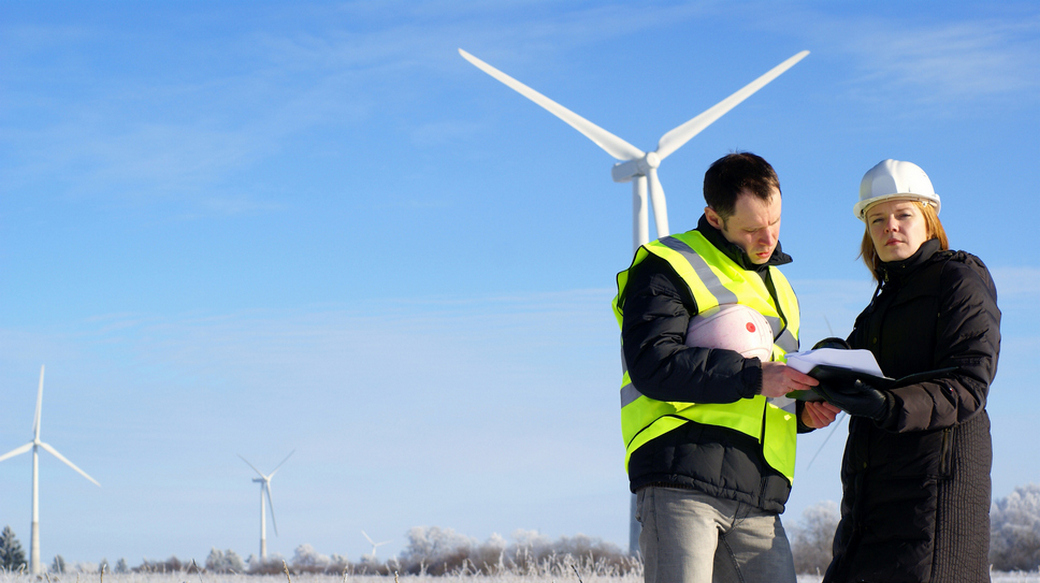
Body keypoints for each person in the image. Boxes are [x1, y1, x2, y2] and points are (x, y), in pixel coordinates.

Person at [612, 151, 841, 583]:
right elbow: (652, 363)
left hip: (759, 492)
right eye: (753, 228)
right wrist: (754, 376)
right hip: (681, 478)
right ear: (714, 219)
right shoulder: (667, 263)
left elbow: (765, 393)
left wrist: (803, 414)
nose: (768, 239)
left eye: (774, 222)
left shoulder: (781, 289)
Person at [818, 159, 1001, 582]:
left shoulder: (958, 279)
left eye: (903, 215)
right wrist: (825, 368)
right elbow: (859, 374)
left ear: (929, 220)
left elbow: (969, 383)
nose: (890, 227)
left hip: (933, 499)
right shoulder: (877, 309)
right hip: (871, 503)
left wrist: (888, 405)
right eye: (877, 219)